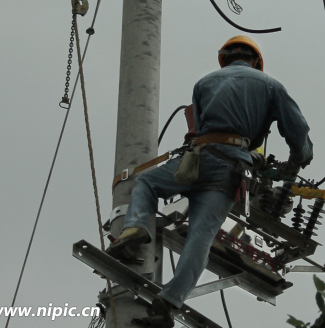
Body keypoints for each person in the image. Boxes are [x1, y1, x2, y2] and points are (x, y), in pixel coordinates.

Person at [107, 35, 313, 327]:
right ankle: (169, 301)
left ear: (225, 57)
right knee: (200, 239)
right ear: (255, 61)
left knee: (147, 183)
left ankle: (135, 229)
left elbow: (199, 130)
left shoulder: (204, 83)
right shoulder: (270, 86)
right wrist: (297, 161)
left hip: (199, 158)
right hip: (231, 170)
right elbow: (298, 130)